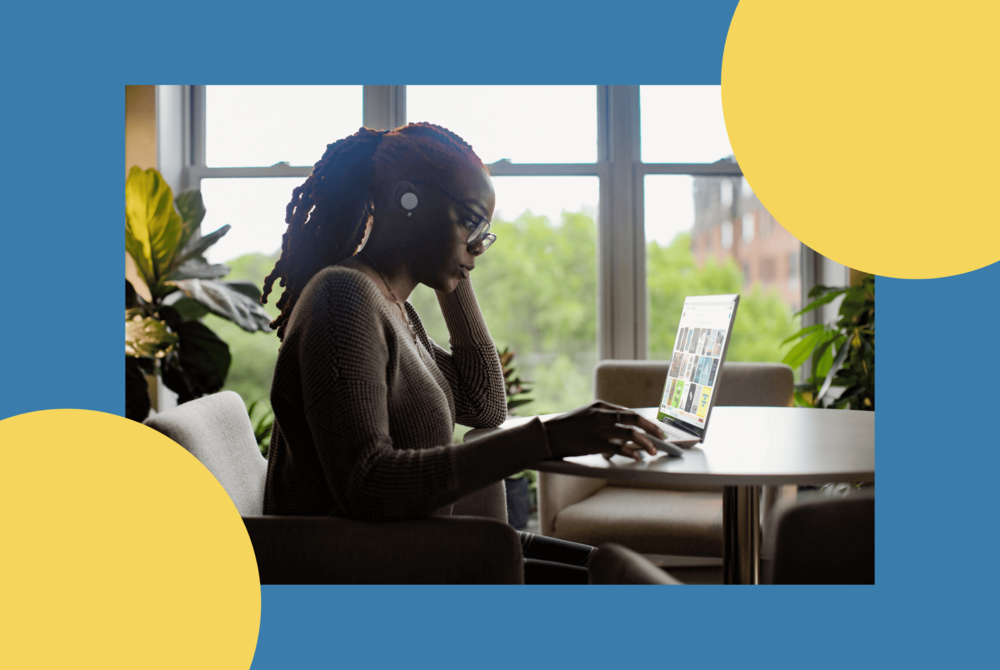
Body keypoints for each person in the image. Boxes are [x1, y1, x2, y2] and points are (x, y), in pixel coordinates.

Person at [260, 123, 665, 583]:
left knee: (609, 563)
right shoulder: (343, 298)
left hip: (415, 553)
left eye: (484, 232)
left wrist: (452, 269)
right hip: (360, 570)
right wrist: (549, 438)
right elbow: (366, 484)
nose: (479, 245)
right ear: (406, 200)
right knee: (619, 578)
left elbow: (482, 403)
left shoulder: (392, 305)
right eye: (470, 220)